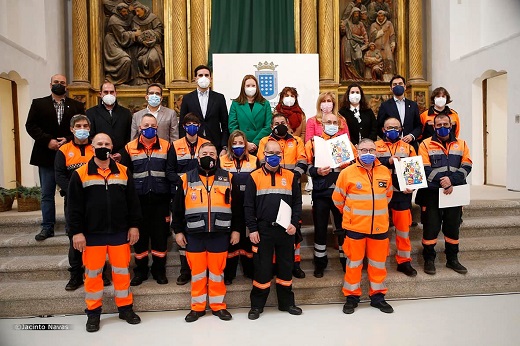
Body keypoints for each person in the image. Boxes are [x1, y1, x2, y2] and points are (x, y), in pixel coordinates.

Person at [68, 133, 142, 332]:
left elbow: (133, 202)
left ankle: (125, 308)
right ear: (92, 147)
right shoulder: (80, 173)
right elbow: (73, 207)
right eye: (99, 143)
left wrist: (134, 226)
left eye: (107, 143)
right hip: (92, 235)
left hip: (119, 233)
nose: (103, 146)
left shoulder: (124, 172)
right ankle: (93, 313)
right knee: (92, 275)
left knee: (122, 273)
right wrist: (77, 232)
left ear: (112, 147)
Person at [172, 142, 236, 322]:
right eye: (205, 153)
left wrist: (236, 230)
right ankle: (197, 307)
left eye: (212, 153)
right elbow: (177, 208)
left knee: (217, 273)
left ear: (218, 157)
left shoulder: (228, 178)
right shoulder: (185, 179)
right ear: (198, 157)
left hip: (220, 234)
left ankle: (218, 306)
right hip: (194, 235)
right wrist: (178, 231)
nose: (209, 156)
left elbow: (237, 208)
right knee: (198, 273)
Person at [332, 138, 394, 314]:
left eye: (371, 150)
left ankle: (378, 297)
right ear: (357, 151)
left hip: (379, 228)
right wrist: (353, 215)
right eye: (364, 150)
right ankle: (351, 297)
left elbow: (388, 196)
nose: (368, 153)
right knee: (353, 264)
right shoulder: (347, 173)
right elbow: (337, 200)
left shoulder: (384, 172)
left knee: (378, 264)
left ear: (376, 152)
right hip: (355, 228)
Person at [245, 140, 303, 320]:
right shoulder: (254, 176)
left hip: (286, 230)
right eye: (270, 153)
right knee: (262, 269)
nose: (274, 156)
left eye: (278, 153)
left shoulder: (292, 176)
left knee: (286, 267)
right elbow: (248, 206)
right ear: (263, 154)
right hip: (263, 231)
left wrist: (295, 223)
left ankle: (287, 303)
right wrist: (252, 229)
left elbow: (297, 203)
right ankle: (257, 306)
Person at [25, 73, 85, 241]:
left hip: (69, 156)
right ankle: (47, 227)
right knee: (47, 193)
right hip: (46, 154)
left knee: (70, 191)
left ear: (67, 86)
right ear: (50, 84)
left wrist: (68, 138)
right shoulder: (38, 104)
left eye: (63, 83)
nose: (59, 84)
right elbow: (30, 125)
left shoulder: (76, 106)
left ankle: (70, 225)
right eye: (56, 82)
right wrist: (47, 140)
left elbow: (80, 126)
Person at [121, 114, 179, 286]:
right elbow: (126, 176)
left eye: (153, 125)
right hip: (138, 202)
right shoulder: (129, 148)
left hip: (161, 202)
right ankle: (140, 272)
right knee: (139, 239)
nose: (150, 128)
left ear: (157, 127)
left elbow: (170, 173)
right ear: (139, 128)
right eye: (146, 125)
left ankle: (159, 271)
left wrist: (171, 200)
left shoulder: (167, 147)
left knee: (160, 238)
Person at [416, 114, 472, 275]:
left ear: (451, 125)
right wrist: (443, 182)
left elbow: (467, 165)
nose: (442, 127)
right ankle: (429, 259)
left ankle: (452, 259)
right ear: (434, 127)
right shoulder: (425, 144)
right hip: (432, 193)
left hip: (455, 192)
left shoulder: (461, 144)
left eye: (445, 124)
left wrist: (452, 181)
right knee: (431, 228)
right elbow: (424, 168)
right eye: (438, 124)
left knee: (452, 227)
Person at [305, 112, 357, 277]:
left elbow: (357, 164)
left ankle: (344, 260)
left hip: (342, 193)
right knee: (320, 229)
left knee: (342, 228)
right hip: (321, 192)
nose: (332, 124)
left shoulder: (346, 143)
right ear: (322, 123)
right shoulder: (313, 143)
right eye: (328, 121)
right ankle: (320, 263)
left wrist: (348, 165)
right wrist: (316, 171)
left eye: (335, 122)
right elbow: (305, 166)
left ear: (340, 124)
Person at [257, 114, 308, 278]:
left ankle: (296, 263)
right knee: (276, 230)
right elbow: (260, 160)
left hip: (291, 187)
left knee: (294, 227)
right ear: (272, 126)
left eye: (283, 122)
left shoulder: (297, 141)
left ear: (288, 124)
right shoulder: (265, 141)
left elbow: (303, 160)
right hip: (270, 188)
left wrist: (292, 177)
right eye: (277, 123)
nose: (280, 125)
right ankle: (274, 265)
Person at [55, 115, 95, 291]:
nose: (82, 128)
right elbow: (60, 176)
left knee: (96, 239)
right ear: (71, 129)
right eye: (78, 125)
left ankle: (97, 272)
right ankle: (75, 275)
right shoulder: (63, 150)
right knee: (75, 238)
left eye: (85, 125)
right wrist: (75, 192)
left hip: (95, 201)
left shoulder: (96, 147)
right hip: (73, 201)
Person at [170, 112, 210, 285]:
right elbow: (169, 171)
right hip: (182, 194)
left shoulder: (206, 145)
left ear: (199, 126)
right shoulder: (175, 145)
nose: (192, 126)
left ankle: (203, 269)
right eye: (188, 124)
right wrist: (184, 182)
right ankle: (185, 270)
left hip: (203, 195)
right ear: (183, 126)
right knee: (182, 233)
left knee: (200, 232)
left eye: (195, 123)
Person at [375, 117, 418, 277]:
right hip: (380, 195)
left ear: (401, 129)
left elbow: (414, 171)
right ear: (383, 130)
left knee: (403, 230)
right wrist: (388, 160)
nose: (392, 130)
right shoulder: (374, 146)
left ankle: (404, 261)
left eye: (396, 127)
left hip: (402, 194)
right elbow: (369, 163)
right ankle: (379, 260)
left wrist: (412, 186)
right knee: (381, 229)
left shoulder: (408, 148)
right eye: (389, 127)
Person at [219, 130, 258, 284]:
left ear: (246, 144)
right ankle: (229, 274)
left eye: (241, 143)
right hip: (229, 206)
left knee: (248, 240)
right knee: (231, 241)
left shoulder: (255, 160)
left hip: (249, 206)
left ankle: (249, 271)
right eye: (234, 143)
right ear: (229, 145)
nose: (238, 146)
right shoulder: (222, 161)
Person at [180, 65, 229, 154]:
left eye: (206, 75)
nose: (203, 78)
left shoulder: (219, 98)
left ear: (211, 78)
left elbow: (225, 124)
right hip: (193, 143)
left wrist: (224, 147)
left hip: (215, 144)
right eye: (200, 75)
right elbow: (182, 124)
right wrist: (183, 145)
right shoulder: (187, 98)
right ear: (195, 79)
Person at [86, 81, 133, 159]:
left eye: (111, 92)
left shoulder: (126, 113)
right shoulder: (91, 113)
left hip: (122, 157)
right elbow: (91, 136)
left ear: (116, 93)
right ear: (100, 94)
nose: (109, 94)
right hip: (99, 156)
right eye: (106, 92)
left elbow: (129, 137)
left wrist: (122, 153)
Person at [228, 74, 272, 154]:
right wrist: (245, 143)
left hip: (260, 145)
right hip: (240, 146)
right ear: (243, 87)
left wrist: (255, 143)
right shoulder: (236, 104)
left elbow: (268, 126)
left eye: (253, 85)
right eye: (248, 85)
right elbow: (232, 126)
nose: (250, 88)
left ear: (257, 87)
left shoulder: (265, 104)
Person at [377, 75, 421, 151]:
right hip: (391, 146)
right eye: (395, 84)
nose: (398, 86)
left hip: (410, 145)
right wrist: (389, 138)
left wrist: (411, 136)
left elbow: (418, 126)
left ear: (405, 87)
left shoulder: (413, 105)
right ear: (391, 88)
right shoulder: (385, 105)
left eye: (400, 84)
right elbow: (379, 126)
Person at [104, 3, 138, 85]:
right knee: (126, 60)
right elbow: (122, 36)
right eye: (123, 11)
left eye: (126, 11)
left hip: (120, 42)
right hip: (112, 43)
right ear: (119, 12)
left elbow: (131, 22)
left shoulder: (125, 17)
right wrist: (134, 34)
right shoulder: (114, 20)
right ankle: (114, 80)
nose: (126, 13)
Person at [131, 3, 164, 85]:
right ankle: (144, 81)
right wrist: (141, 40)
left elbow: (159, 31)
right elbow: (135, 33)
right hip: (141, 46)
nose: (137, 14)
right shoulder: (135, 20)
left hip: (154, 45)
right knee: (140, 59)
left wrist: (152, 36)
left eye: (138, 11)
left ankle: (156, 79)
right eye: (135, 12)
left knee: (154, 57)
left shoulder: (153, 18)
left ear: (143, 9)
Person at [340, 7, 368, 81]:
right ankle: (348, 77)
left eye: (358, 14)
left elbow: (364, 33)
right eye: (355, 14)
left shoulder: (360, 24)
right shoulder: (347, 22)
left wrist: (366, 43)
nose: (356, 16)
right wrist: (342, 29)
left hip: (357, 43)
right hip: (347, 42)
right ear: (352, 15)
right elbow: (342, 32)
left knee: (359, 58)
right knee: (347, 61)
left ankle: (359, 77)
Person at [369, 10, 396, 81]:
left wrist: (393, 44)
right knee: (377, 63)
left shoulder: (389, 24)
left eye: (382, 16)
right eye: (379, 16)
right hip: (376, 48)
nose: (380, 18)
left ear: (384, 16)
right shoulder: (374, 25)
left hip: (386, 46)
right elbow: (372, 36)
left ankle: (388, 80)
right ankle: (378, 79)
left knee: (389, 61)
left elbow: (392, 34)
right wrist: (382, 30)